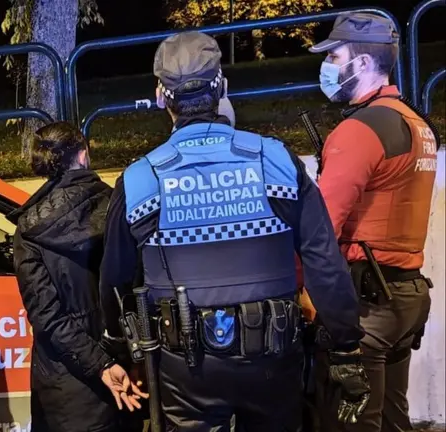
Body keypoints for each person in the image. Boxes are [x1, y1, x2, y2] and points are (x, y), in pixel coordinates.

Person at [97, 31, 371, 431]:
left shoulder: (141, 179)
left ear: (161, 95)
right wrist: (347, 345)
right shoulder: (275, 159)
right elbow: (324, 261)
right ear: (222, 88)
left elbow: (115, 280)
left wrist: (118, 348)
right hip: (274, 359)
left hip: (185, 368)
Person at [308, 12, 438, 432]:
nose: (328, 66)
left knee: (350, 421)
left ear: (363, 63)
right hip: (407, 297)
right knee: (392, 420)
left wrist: (302, 291)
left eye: (335, 56)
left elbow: (320, 227)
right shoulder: (417, 123)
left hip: (366, 308)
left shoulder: (359, 131)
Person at [7, 122, 142, 432]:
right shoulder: (117, 208)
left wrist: (100, 366)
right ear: (84, 155)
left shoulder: (29, 229)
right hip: (125, 370)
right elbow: (136, 289)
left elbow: (48, 318)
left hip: (64, 384)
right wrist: (122, 360)